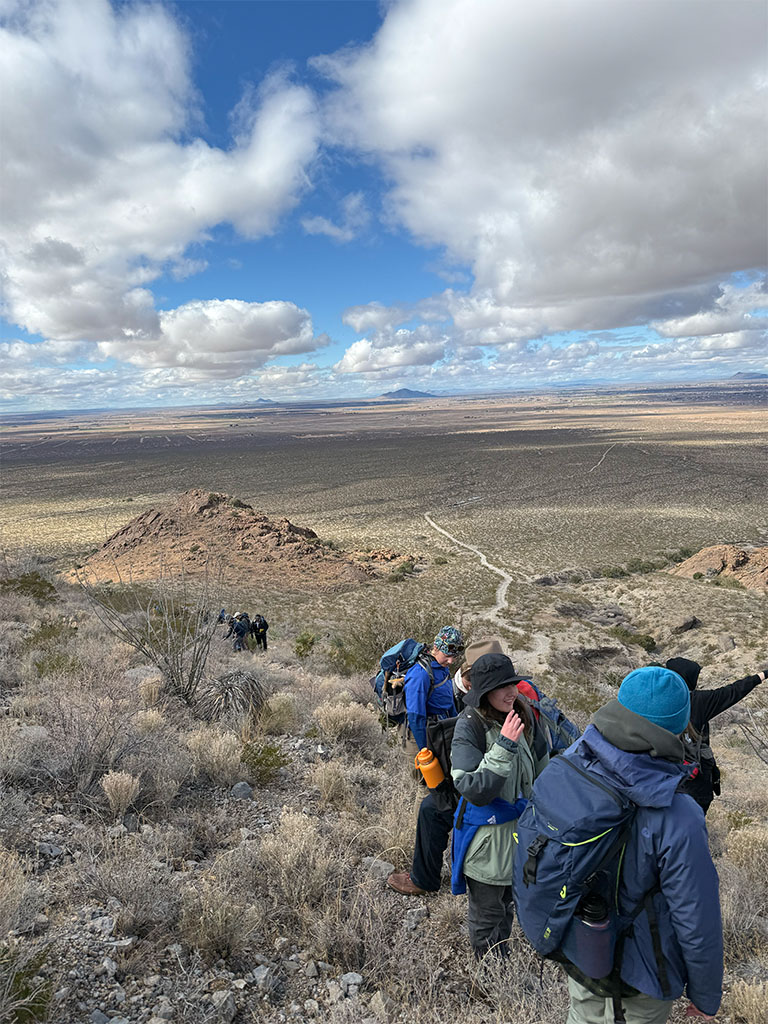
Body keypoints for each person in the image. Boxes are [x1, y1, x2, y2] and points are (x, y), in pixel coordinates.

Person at [561, 666, 722, 1024]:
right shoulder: (680, 816)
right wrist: (706, 994)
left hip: (581, 945)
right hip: (646, 971)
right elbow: (696, 917)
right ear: (679, 727)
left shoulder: (573, 762)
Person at [451, 652, 552, 959]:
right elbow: (473, 789)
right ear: (483, 693)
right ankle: (487, 978)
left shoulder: (522, 715)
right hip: (486, 847)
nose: (512, 691)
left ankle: (501, 962)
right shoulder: (469, 727)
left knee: (507, 907)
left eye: (513, 683)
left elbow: (542, 771)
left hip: (520, 840)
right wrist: (505, 745)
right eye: (501, 687)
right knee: (487, 916)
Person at [387, 626, 465, 896]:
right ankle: (423, 840)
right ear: (437, 647)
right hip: (423, 739)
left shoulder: (441, 669)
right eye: (449, 653)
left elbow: (450, 705)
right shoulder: (421, 673)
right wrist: (424, 752)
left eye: (456, 655)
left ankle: (431, 841)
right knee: (427, 788)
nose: (452, 660)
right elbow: (417, 715)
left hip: (440, 735)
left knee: (441, 788)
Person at [666, 657, 767, 814]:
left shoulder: (653, 701)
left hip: (661, 781)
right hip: (694, 784)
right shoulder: (698, 701)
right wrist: (763, 675)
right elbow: (734, 691)